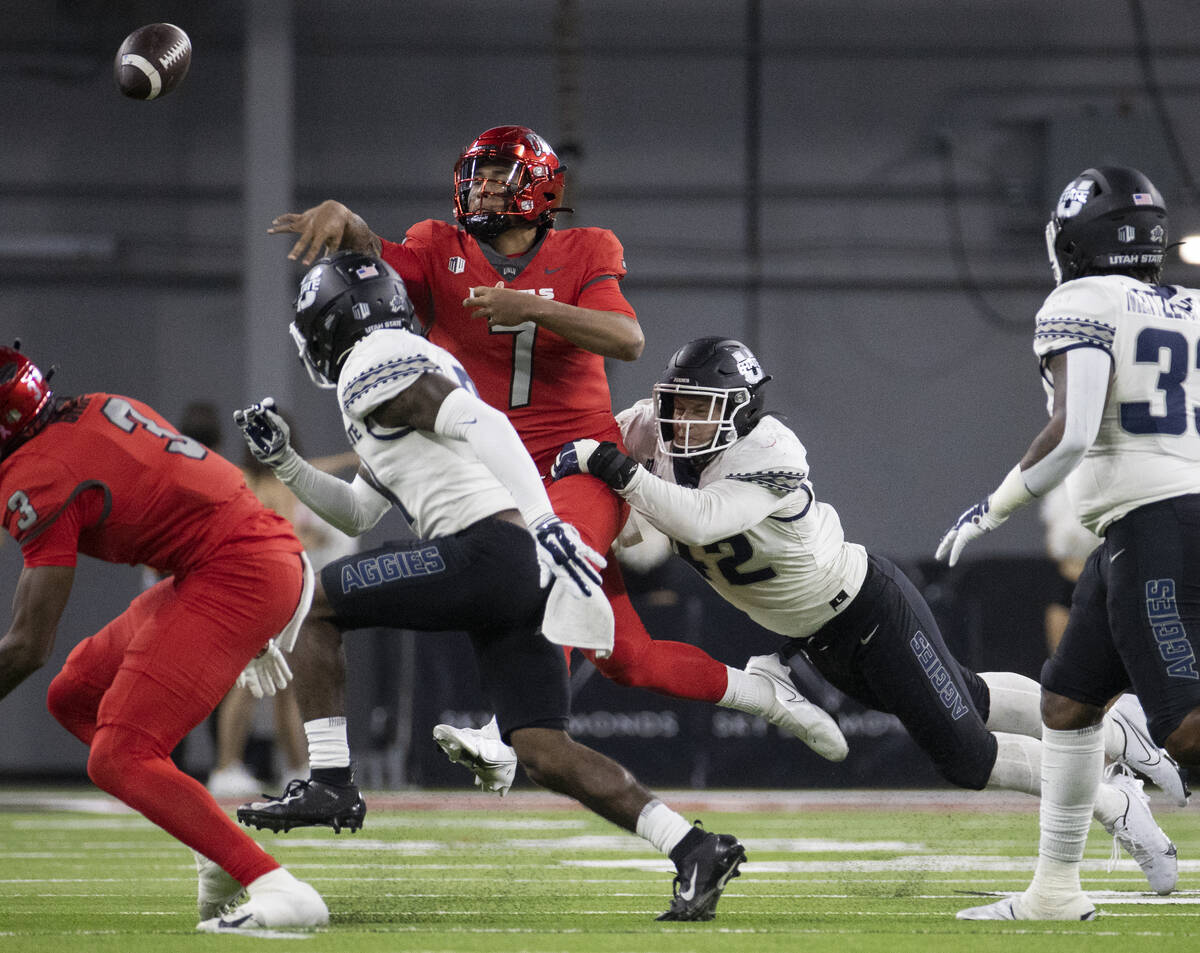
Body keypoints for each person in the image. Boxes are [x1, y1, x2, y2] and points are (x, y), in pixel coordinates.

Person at [265, 125, 847, 795]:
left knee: (550, 561)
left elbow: (627, 338)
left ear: (537, 189)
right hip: (497, 473)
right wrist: (349, 222)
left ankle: (499, 732)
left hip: (582, 461)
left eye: (497, 176)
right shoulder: (438, 246)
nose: (480, 187)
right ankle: (769, 693)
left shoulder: (584, 249)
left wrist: (530, 308)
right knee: (628, 657)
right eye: (475, 175)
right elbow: (377, 267)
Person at [543, 334, 1183, 899]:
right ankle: (1121, 733)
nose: (679, 420)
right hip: (817, 635)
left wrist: (611, 467)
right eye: (675, 403)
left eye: (698, 408)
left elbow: (698, 518)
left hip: (868, 611)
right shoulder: (651, 429)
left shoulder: (769, 449)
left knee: (966, 755)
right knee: (973, 695)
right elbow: (596, 460)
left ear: (739, 412)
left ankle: (1110, 797)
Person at [231, 251, 747, 921]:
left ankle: (330, 780)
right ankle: (693, 845)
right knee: (543, 749)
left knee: (316, 600)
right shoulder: (406, 359)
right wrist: (288, 464)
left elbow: (485, 423)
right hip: (511, 561)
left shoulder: (368, 364)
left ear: (329, 325)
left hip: (488, 549)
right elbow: (359, 509)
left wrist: (544, 520)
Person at [937, 166, 1200, 921]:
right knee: (1067, 703)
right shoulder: (1189, 303)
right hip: (1140, 526)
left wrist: (995, 505)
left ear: (1076, 240)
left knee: (1184, 726)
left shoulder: (1079, 300)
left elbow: (1074, 432)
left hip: (1157, 523)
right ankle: (1055, 891)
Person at [0, 343, 327, 932]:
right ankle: (213, 849)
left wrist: (251, 614)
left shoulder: (38, 476)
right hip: (231, 558)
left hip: (237, 569)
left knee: (119, 754)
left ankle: (278, 888)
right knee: (74, 695)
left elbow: (27, 645)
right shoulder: (95, 405)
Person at [209, 425, 359, 799]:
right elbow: (279, 532)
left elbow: (316, 467)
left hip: (256, 587)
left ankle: (294, 766)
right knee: (252, 684)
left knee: (283, 683)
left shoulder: (244, 477)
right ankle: (227, 767)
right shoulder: (269, 483)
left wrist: (352, 458)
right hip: (261, 588)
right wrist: (313, 538)